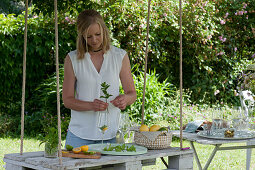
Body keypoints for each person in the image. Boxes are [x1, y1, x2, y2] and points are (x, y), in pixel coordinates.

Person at [62, 9, 136, 148]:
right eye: (88, 36)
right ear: (81, 35)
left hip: (112, 136)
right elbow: (67, 100)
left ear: (104, 31)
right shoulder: (72, 59)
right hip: (79, 136)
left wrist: (125, 99)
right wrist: (91, 106)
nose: (94, 40)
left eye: (97, 34)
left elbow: (132, 94)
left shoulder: (119, 56)